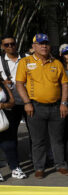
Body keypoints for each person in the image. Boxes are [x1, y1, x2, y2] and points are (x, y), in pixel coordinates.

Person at [15, 33, 68, 178]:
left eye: (46, 43)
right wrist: (27, 102)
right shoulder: (25, 62)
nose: (44, 46)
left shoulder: (56, 63)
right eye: (40, 43)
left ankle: (61, 165)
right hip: (35, 107)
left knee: (57, 139)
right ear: (34, 46)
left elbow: (65, 84)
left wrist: (64, 103)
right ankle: (39, 168)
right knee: (38, 140)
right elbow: (19, 84)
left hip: (56, 107)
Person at [0, 35, 27, 179]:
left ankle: (19, 166)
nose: (10, 47)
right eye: (7, 45)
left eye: (12, 44)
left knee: (35, 134)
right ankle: (13, 166)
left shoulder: (26, 57)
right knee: (9, 137)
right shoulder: (0, 61)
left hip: (27, 100)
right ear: (2, 47)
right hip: (9, 105)